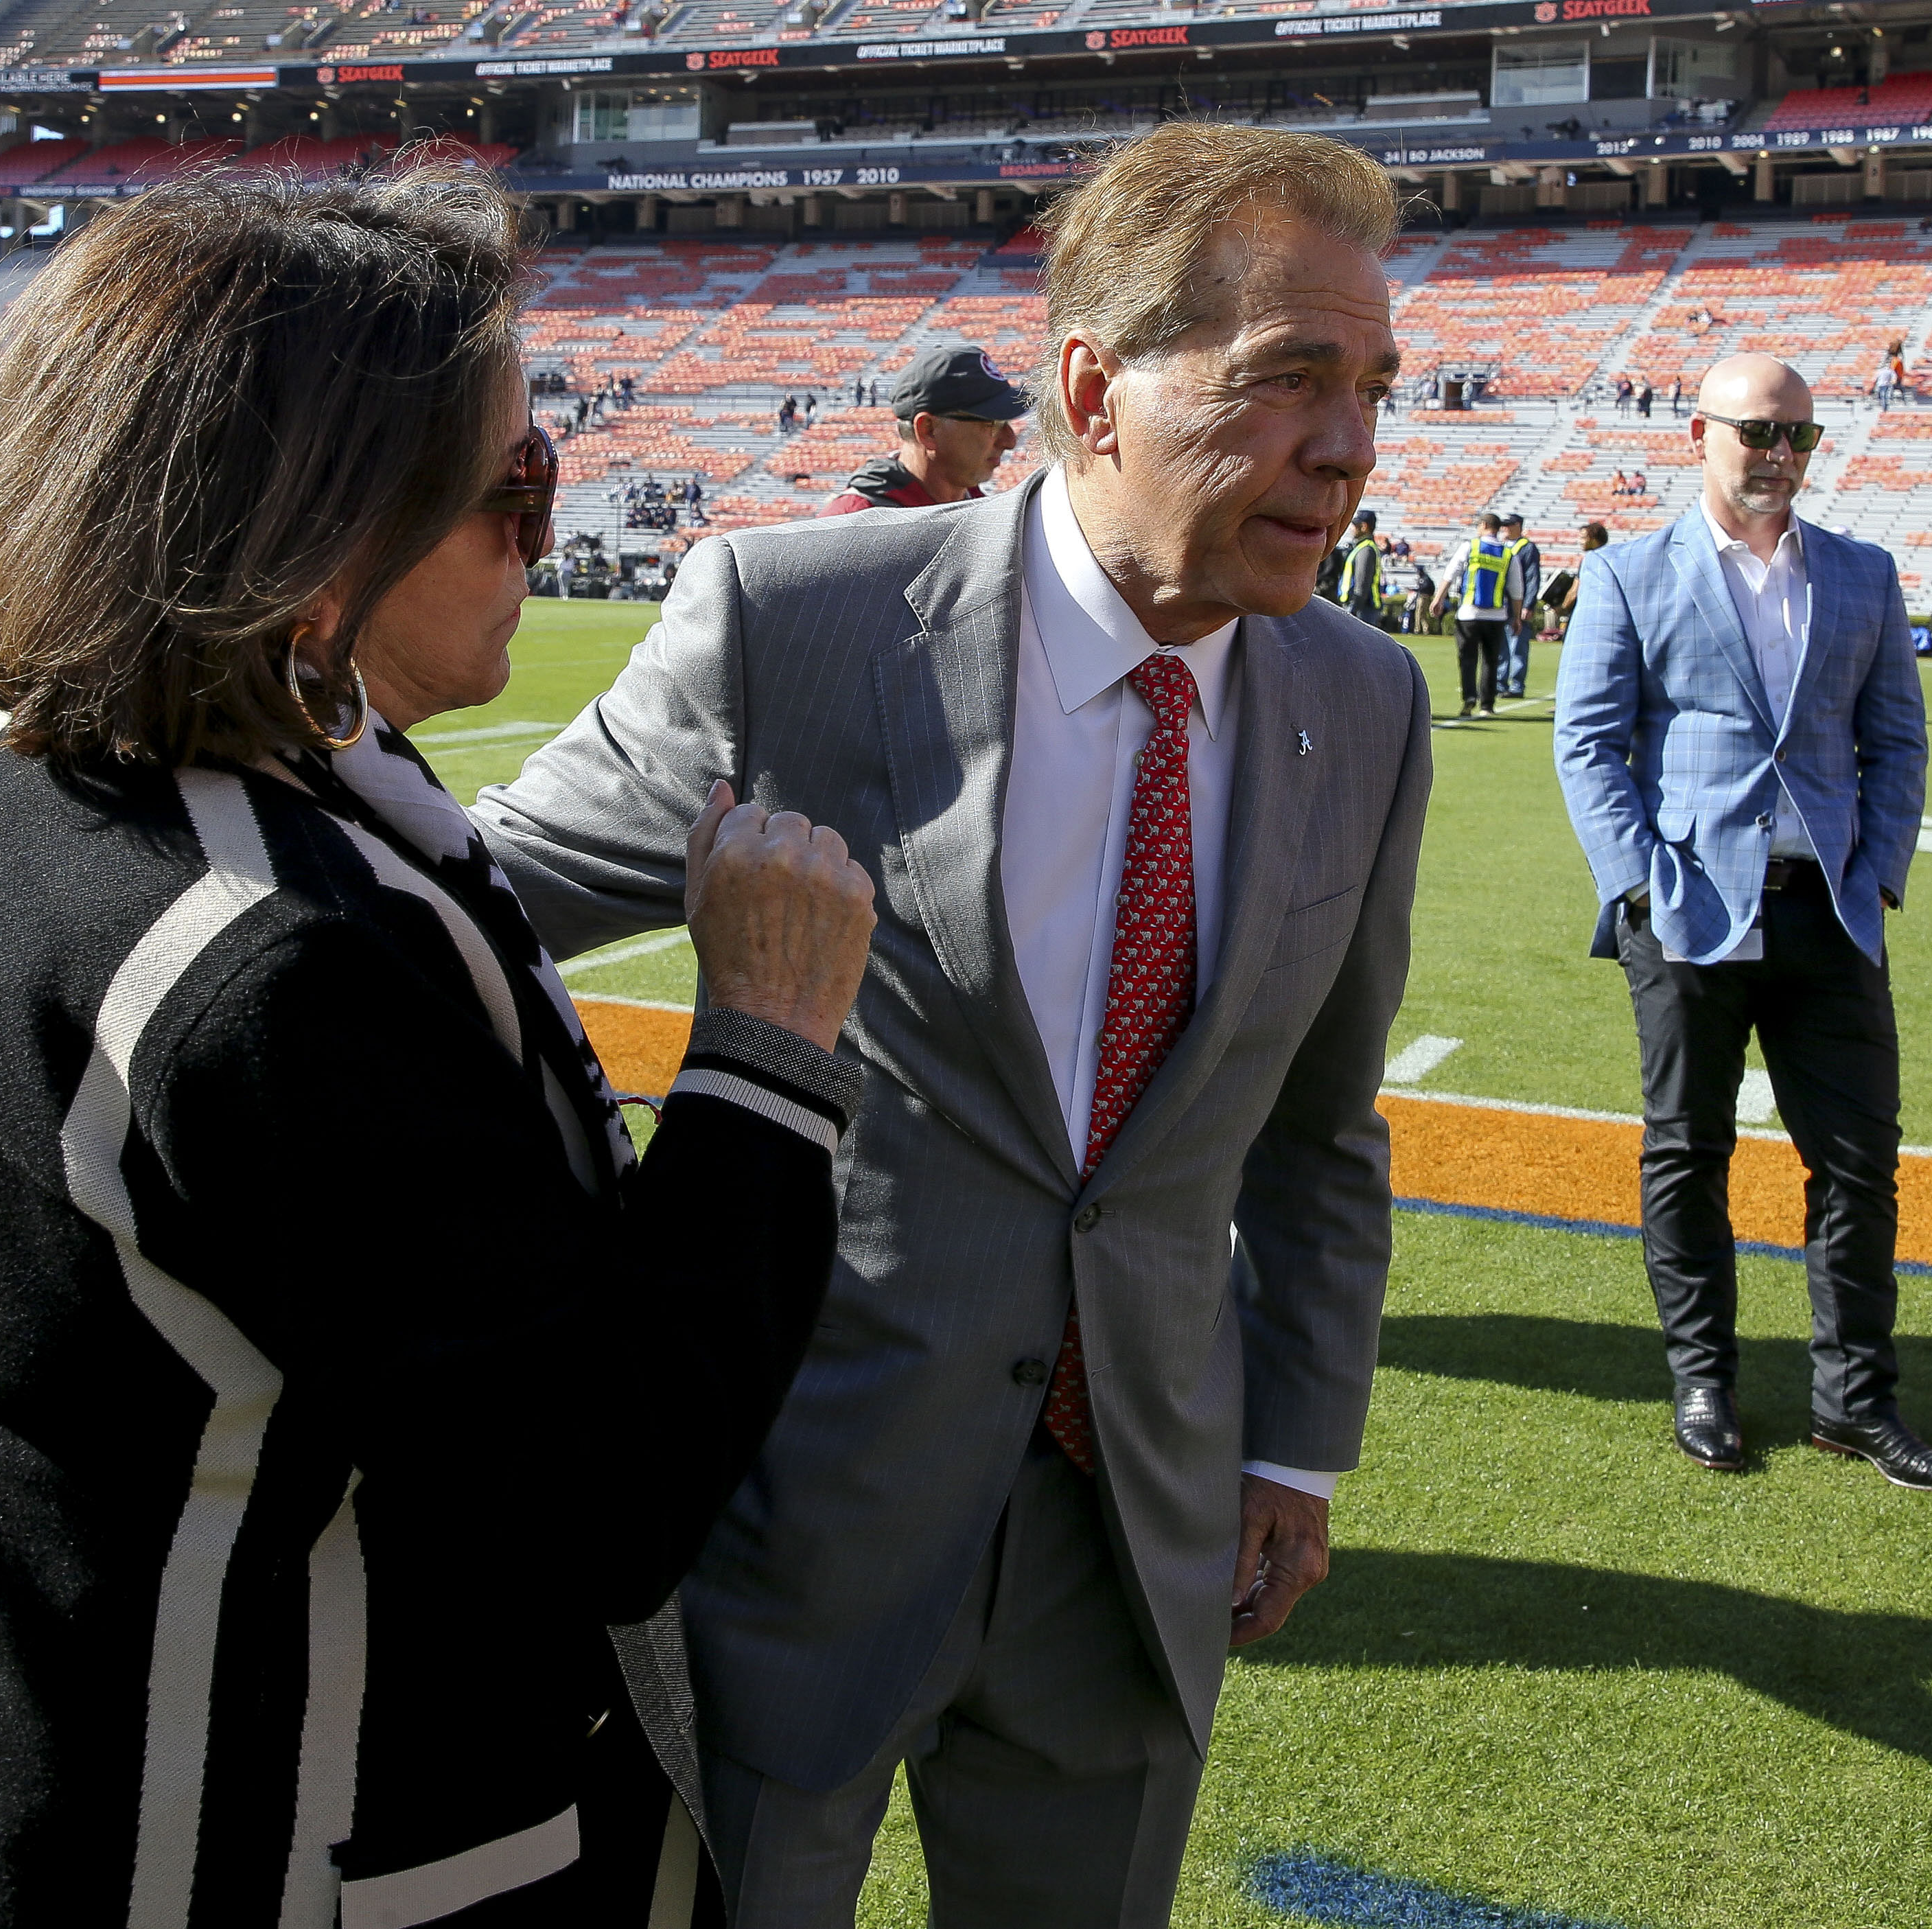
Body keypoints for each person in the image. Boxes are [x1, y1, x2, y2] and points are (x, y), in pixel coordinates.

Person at [0, 164, 876, 1926]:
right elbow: (604, 1487)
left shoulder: (18, 773)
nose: (548, 523)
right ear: (312, 539)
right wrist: (762, 1054)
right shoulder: (264, 956)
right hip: (231, 1839)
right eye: (511, 488)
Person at [475, 120, 1428, 1926]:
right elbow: (473, 903)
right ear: (1092, 386)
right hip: (798, 1506)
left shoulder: (1363, 702)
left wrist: (1296, 1443)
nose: (1350, 445)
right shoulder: (801, 625)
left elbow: (1319, 1123)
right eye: (1289, 377)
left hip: (1133, 1521)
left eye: (1370, 386)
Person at [1554, 351, 1932, 1495]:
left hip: (1828, 916)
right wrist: (1633, 882)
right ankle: (1701, 1379)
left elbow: (1893, 742)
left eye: (1797, 436)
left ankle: (1854, 1401)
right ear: (1698, 433)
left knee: (1856, 1164)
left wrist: (1876, 875)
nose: (1777, 456)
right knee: (1685, 1152)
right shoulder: (1631, 574)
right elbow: (1587, 743)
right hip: (1684, 912)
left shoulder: (1860, 574)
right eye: (1756, 431)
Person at [817, 342, 1024, 515]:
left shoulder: (981, 508)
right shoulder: (853, 525)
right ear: (928, 430)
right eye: (993, 424)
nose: (1010, 441)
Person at [1438, 509, 1515, 719]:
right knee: (1491, 661)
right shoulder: (1508, 553)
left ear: (1483, 526)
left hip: (1469, 613)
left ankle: (1469, 696)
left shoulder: (1470, 547)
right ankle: (1487, 704)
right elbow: (1517, 589)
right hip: (1496, 616)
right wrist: (1516, 617)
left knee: (1467, 659)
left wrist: (1438, 599)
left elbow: (1451, 573)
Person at [1498, 510, 1542, 700]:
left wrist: (1528, 604)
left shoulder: (1527, 548)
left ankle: (1516, 685)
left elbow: (1532, 578)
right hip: (1501, 605)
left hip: (1517, 604)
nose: (1504, 529)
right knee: (1501, 647)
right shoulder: (1502, 547)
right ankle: (1499, 682)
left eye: (1508, 525)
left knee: (1517, 646)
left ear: (1518, 526)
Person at [1336, 507, 1383, 625]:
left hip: (1363, 608)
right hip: (1361, 606)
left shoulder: (1366, 550)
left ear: (1364, 527)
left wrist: (1353, 609)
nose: (1351, 529)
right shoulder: (1361, 548)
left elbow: (1362, 582)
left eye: (1354, 525)